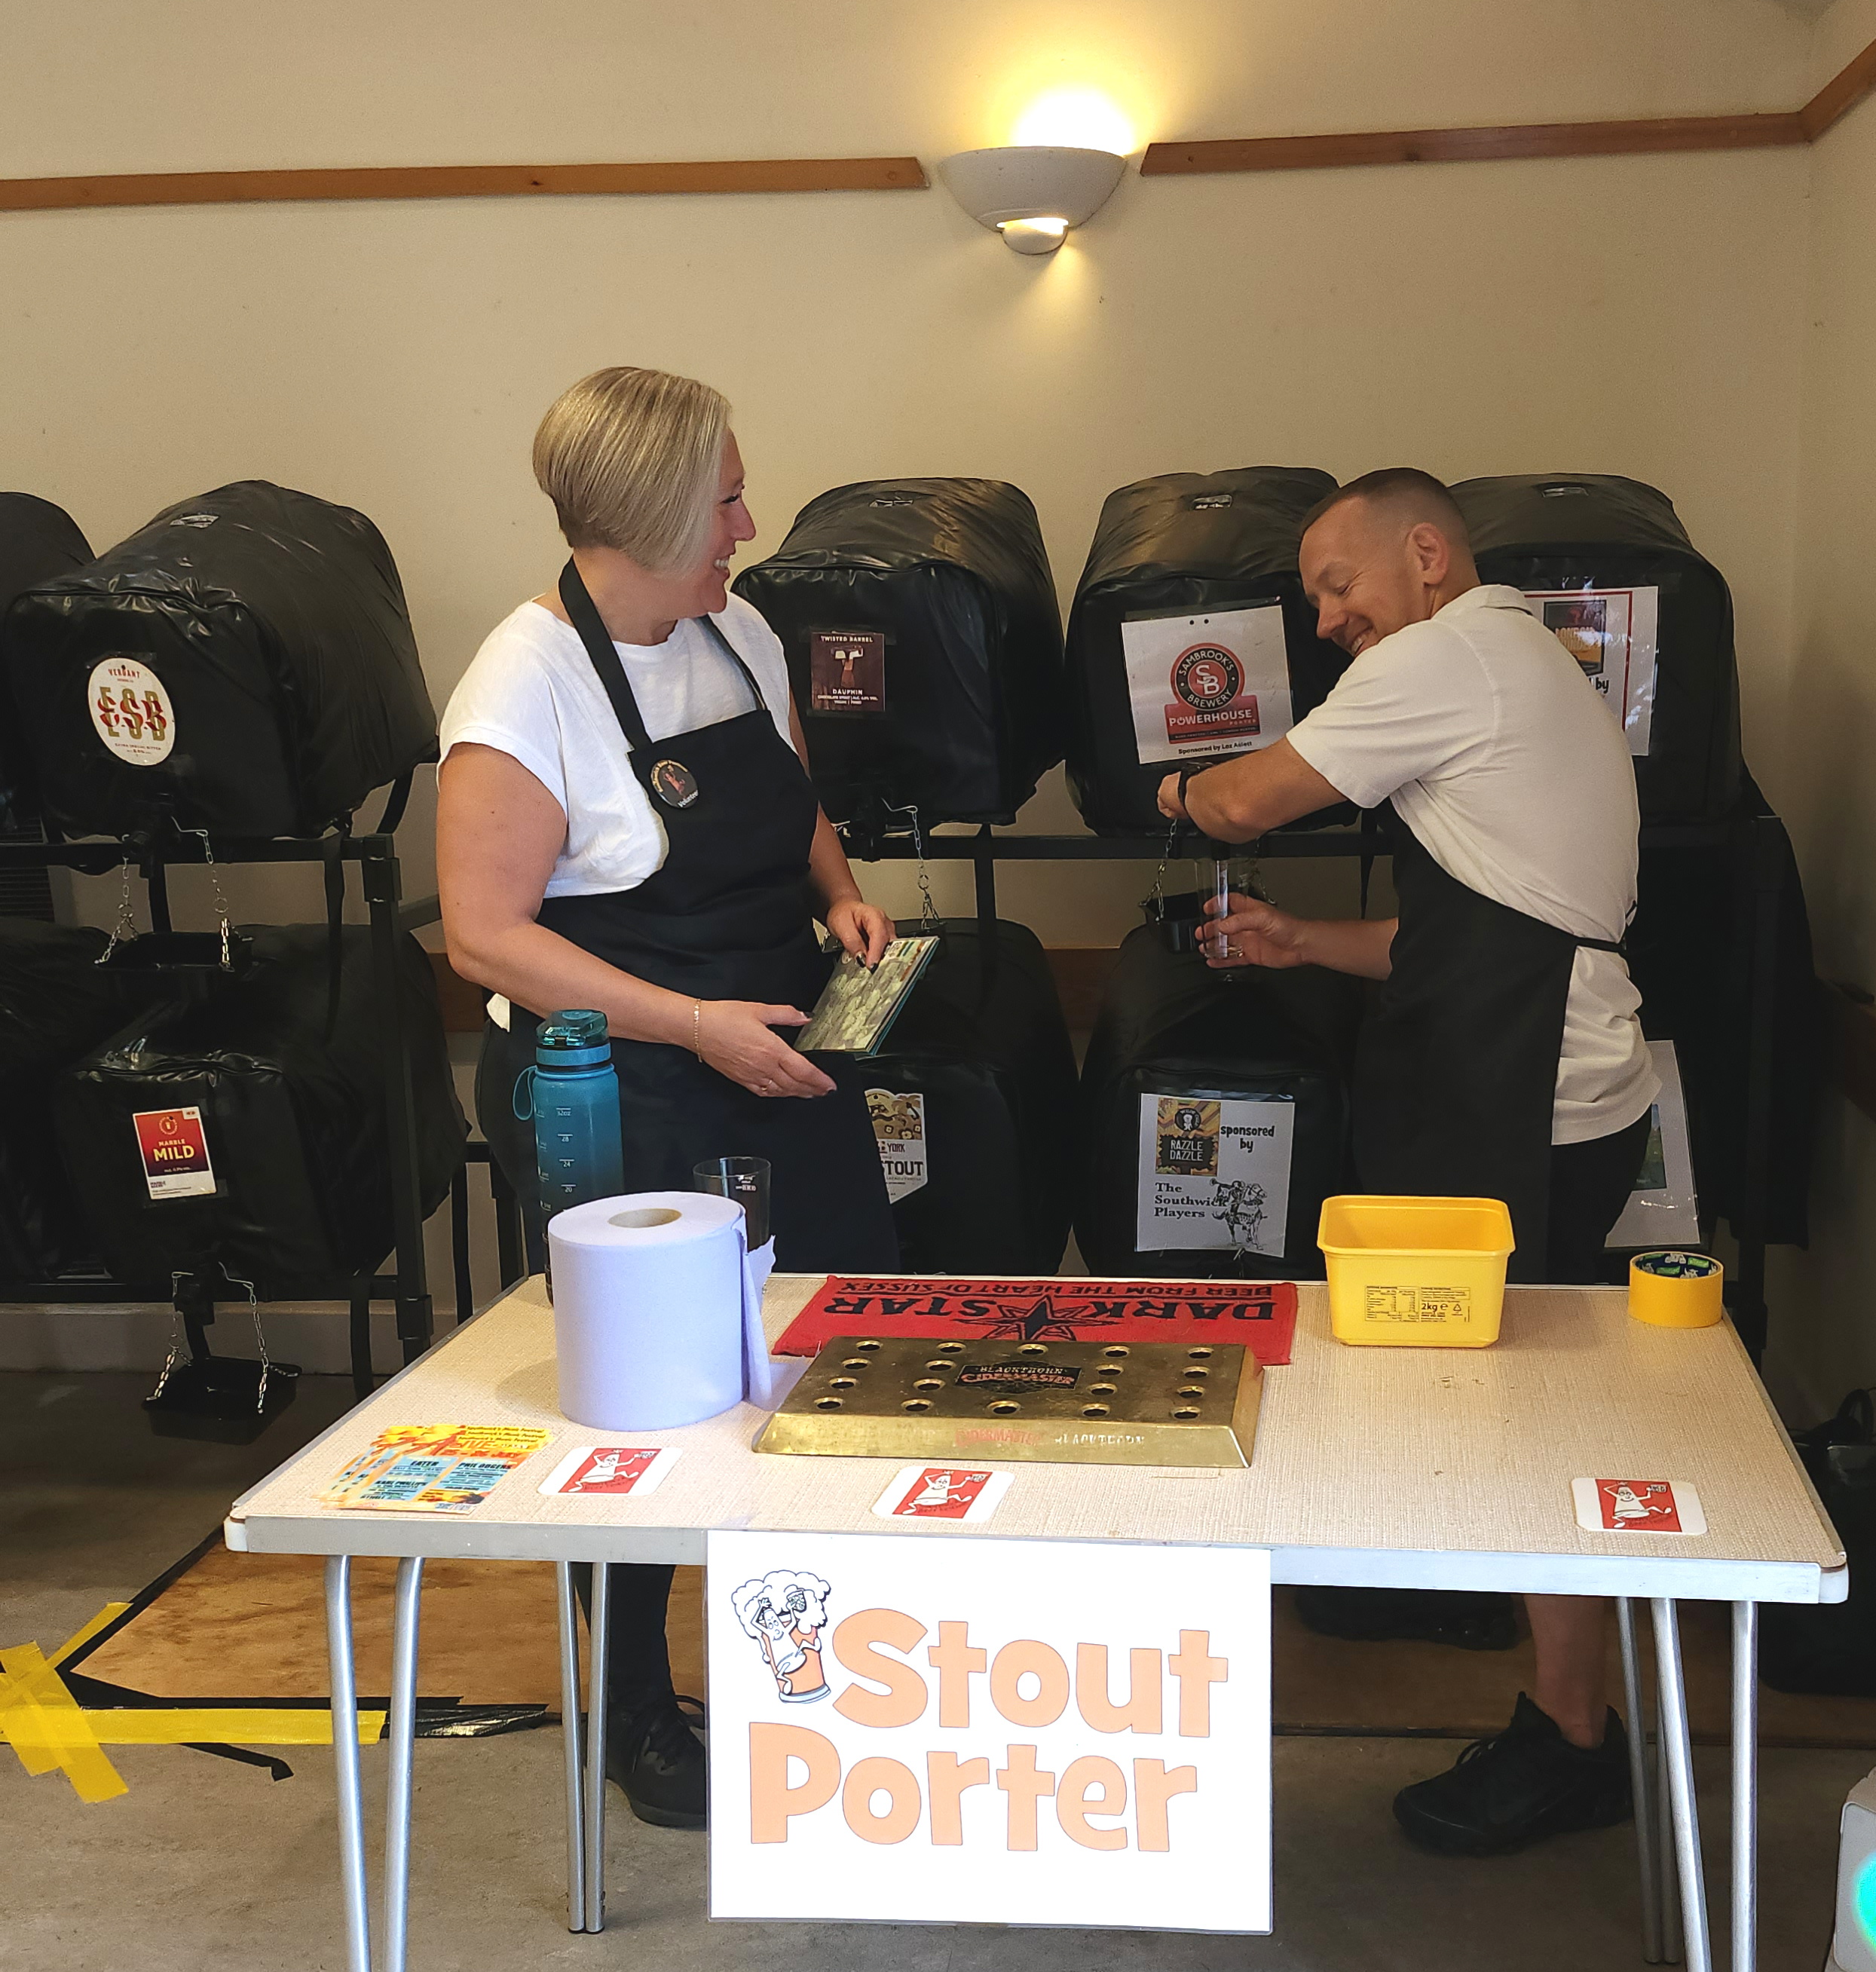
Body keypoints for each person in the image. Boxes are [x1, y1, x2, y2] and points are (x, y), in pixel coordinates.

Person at [1157, 467, 1658, 1857]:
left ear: (1427, 552)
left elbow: (1248, 800)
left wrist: (1177, 783)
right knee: (1506, 1415)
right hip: (1549, 1078)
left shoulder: (1450, 651)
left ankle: (1573, 1742)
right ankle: (1560, 1719)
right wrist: (1300, 943)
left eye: (1338, 581)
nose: (1325, 618)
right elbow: (1480, 933)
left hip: (1531, 1105)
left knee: (1528, 1431)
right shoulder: (1512, 670)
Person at [436, 366, 898, 1830]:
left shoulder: (740, 630)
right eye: (725, 502)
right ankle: (641, 1706)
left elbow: (801, 803)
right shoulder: (524, 683)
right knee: (648, 1414)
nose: (748, 527)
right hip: (619, 1084)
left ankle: (831, 1674)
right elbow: (485, 933)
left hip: (773, 1049)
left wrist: (842, 897)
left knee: (844, 1343)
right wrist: (693, 1027)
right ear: (639, 519)